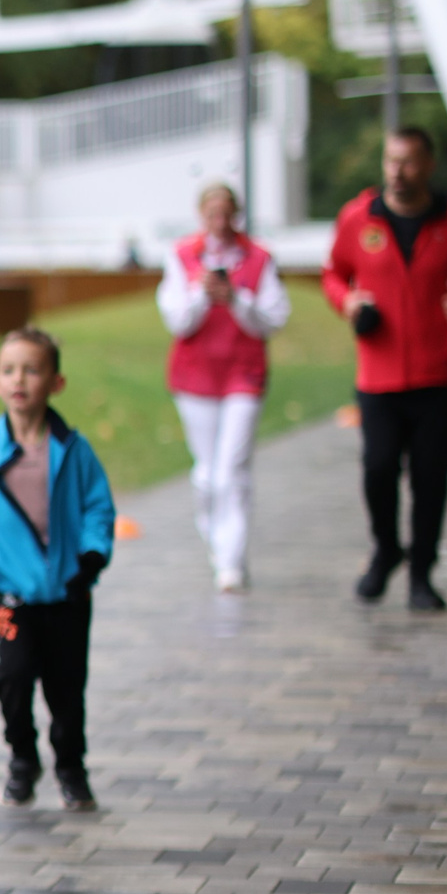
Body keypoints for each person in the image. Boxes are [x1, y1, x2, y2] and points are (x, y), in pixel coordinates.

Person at [323, 127, 447, 611]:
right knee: (378, 468)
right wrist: (349, 301)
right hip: (378, 375)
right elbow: (334, 273)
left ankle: (422, 572)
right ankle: (385, 550)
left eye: (408, 163)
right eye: (390, 162)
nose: (397, 173)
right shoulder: (359, 218)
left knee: (430, 478)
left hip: (439, 374)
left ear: (428, 165)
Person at [0, 328, 116, 813]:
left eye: (32, 369)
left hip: (68, 597)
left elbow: (99, 509)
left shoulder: (74, 451)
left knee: (66, 690)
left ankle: (70, 767)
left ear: (56, 382)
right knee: (12, 679)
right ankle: (22, 758)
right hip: (8, 599)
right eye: (8, 369)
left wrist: (91, 557)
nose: (19, 378)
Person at [157, 183, 289, 592]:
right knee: (208, 473)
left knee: (233, 467)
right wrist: (201, 292)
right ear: (201, 214)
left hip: (242, 373)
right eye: (212, 211)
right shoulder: (181, 256)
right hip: (195, 376)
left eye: (227, 211)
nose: (220, 219)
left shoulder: (259, 258)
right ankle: (217, 540)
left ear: (237, 214)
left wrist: (236, 299)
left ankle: (231, 559)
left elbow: (274, 317)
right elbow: (178, 320)